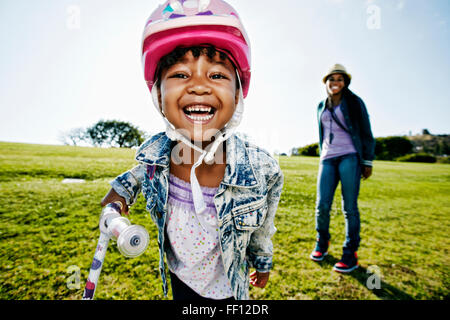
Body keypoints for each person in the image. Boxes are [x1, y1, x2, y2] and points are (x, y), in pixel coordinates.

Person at [100, 0, 283, 301]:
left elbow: (263, 227)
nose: (199, 87)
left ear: (238, 95)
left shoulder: (261, 169)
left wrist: (262, 261)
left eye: (217, 76)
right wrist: (117, 198)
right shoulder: (156, 157)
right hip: (179, 276)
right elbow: (129, 182)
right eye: (181, 75)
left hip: (228, 289)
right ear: (158, 94)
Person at [310, 63, 375, 273]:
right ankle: (322, 244)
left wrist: (367, 161)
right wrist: (322, 154)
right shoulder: (321, 105)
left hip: (350, 157)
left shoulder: (355, 103)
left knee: (349, 208)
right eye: (331, 79)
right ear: (326, 83)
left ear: (345, 83)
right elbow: (321, 135)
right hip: (328, 159)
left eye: (339, 79)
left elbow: (366, 131)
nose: (334, 82)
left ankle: (350, 254)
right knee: (322, 206)